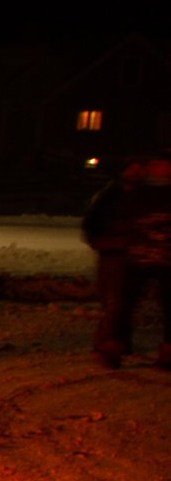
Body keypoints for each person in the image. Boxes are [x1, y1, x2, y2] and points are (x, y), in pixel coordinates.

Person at [97, 152, 171, 369]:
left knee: (169, 304)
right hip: (139, 256)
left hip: (167, 258)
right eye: (156, 165)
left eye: (164, 165)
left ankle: (168, 350)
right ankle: (115, 345)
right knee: (125, 302)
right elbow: (122, 216)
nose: (160, 169)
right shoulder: (139, 191)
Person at [82, 157, 145, 365]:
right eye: (131, 169)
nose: (135, 173)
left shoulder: (146, 195)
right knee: (114, 300)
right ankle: (107, 340)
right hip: (113, 251)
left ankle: (120, 340)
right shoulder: (110, 194)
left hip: (138, 252)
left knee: (129, 299)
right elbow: (93, 221)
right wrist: (101, 239)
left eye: (139, 169)